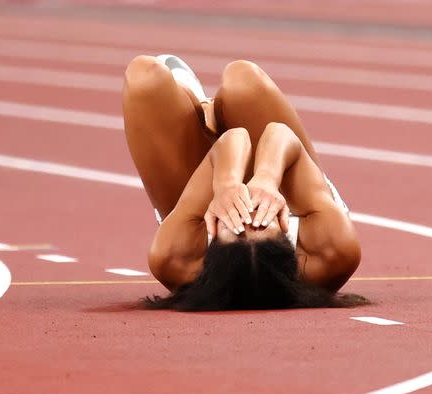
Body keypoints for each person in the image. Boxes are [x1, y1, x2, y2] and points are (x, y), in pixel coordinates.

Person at [122, 55, 366, 311]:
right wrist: (267, 179)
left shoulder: (176, 257)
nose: (246, 209)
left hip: (194, 205)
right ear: (288, 242)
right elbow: (281, 134)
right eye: (261, 219)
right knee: (243, 80)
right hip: (294, 187)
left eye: (235, 224)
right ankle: (211, 113)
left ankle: (199, 113)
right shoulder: (330, 252)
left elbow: (232, 138)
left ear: (213, 246)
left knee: (144, 76)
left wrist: (226, 185)